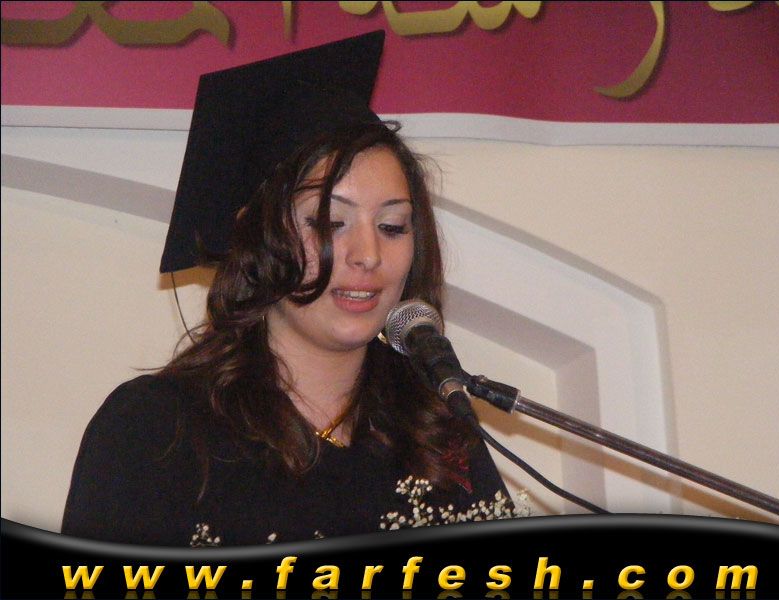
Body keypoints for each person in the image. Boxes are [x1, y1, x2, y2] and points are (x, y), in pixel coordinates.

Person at [61, 32, 511, 547]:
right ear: (257, 236)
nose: (368, 255)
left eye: (392, 227)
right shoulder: (158, 429)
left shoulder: (436, 431)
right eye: (329, 222)